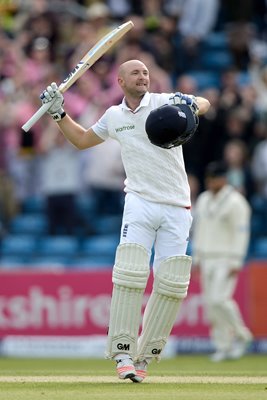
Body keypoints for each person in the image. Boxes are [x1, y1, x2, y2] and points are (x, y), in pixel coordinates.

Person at [39, 59, 210, 382]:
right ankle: (122, 352)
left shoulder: (164, 101)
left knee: (172, 281)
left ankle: (146, 357)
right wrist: (58, 113)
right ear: (120, 81)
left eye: (145, 72)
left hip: (177, 205)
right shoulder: (114, 116)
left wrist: (191, 102)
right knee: (130, 271)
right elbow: (83, 140)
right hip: (139, 202)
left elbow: (204, 103)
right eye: (136, 73)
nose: (143, 77)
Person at [191, 161, 253, 362]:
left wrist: (236, 260)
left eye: (214, 178)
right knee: (211, 305)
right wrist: (197, 258)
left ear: (224, 179)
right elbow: (199, 230)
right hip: (207, 257)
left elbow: (241, 232)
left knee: (220, 300)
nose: (210, 182)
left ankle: (242, 335)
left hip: (226, 258)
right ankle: (223, 346)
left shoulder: (236, 202)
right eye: (208, 178)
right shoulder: (204, 199)